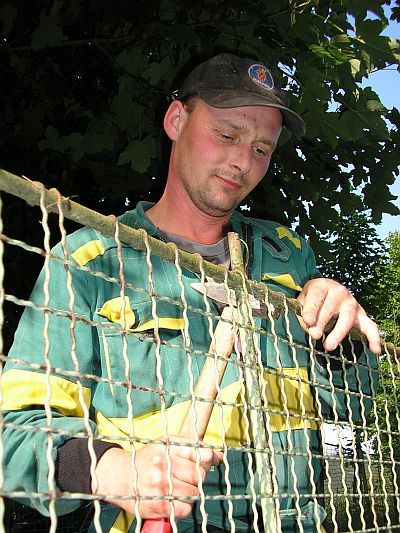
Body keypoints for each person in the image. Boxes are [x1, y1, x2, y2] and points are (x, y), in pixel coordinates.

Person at [2, 53, 380, 532]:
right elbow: (14, 437)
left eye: (262, 149)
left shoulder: (288, 255)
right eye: (227, 135)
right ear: (176, 120)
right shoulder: (89, 260)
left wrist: (343, 339)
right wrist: (114, 469)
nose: (243, 162)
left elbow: (352, 408)